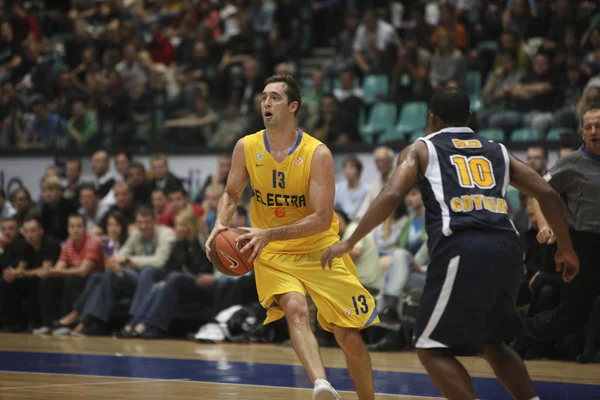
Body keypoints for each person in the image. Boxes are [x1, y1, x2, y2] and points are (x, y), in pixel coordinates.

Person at [322, 87, 579, 400]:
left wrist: (350, 241)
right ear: (469, 117)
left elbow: (391, 194)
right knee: (493, 343)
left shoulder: (421, 149)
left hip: (464, 246)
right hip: (509, 248)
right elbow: (549, 195)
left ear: (431, 118)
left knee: (430, 348)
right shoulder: (496, 148)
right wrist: (566, 249)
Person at [205, 74, 378, 400]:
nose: (266, 104)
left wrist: (269, 233)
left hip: (319, 248)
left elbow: (321, 218)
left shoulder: (317, 154)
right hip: (271, 250)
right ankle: (321, 386)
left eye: (275, 98)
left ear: (293, 106)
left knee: (348, 336)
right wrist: (219, 225)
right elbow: (231, 193)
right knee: (295, 308)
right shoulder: (247, 146)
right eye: (263, 98)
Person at [524, 107, 600, 363]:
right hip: (584, 244)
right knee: (571, 316)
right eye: (588, 127)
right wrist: (545, 225)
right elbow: (539, 193)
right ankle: (521, 332)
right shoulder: (572, 163)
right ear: (582, 133)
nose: (593, 132)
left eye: (598, 126)